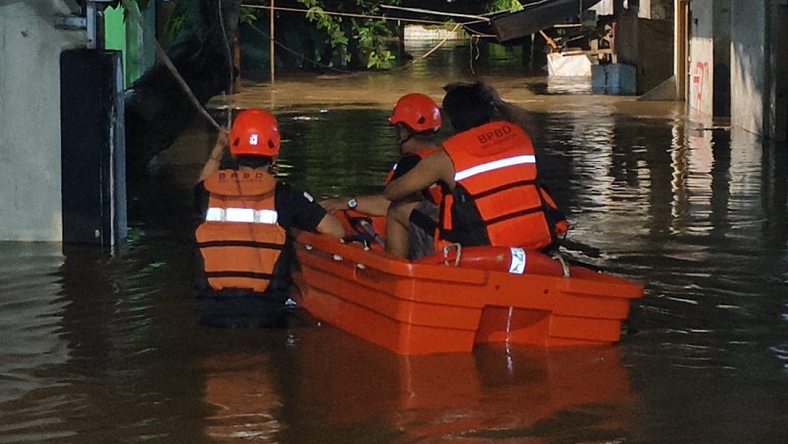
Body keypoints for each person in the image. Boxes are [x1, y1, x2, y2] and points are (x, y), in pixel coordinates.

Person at [194, 109, 345, 328]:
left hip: (211, 312)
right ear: (275, 152)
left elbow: (199, 188)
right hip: (265, 313)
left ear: (234, 152)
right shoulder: (286, 196)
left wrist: (218, 150)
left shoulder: (210, 192)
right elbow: (336, 231)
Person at [383, 82, 567, 259]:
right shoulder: (518, 134)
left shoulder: (445, 158)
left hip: (480, 247)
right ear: (490, 110)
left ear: (452, 120)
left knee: (398, 209)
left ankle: (399, 278)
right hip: (536, 238)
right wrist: (499, 102)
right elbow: (534, 124)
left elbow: (393, 192)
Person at [320, 93, 443, 258]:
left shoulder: (412, 164)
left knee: (396, 210)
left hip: (432, 241)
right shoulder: (444, 157)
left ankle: (394, 271)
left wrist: (348, 202)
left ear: (404, 131)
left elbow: (389, 204)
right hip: (446, 230)